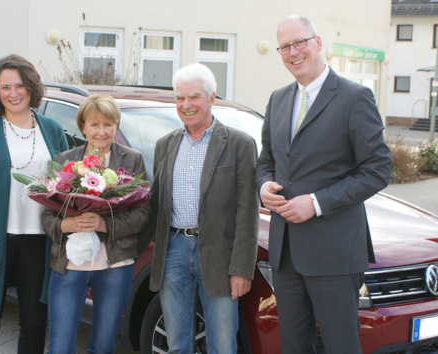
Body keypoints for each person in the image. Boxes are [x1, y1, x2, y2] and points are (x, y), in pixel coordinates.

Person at [255, 16, 391, 354]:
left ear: (317, 42)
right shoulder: (278, 99)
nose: (293, 52)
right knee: (294, 346)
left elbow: (378, 168)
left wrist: (315, 203)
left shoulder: (354, 97)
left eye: (299, 42)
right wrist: (264, 186)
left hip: (334, 252)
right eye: (284, 46)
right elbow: (266, 162)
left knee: (340, 346)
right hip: (285, 252)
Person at [0, 54, 69, 353]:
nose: (13, 93)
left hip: (38, 241)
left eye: (19, 85)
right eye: (5, 87)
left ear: (31, 87)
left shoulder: (52, 129)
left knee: (34, 323)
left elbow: (67, 185)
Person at [147, 63, 259, 353]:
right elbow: (154, 204)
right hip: (173, 251)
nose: (186, 105)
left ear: (211, 98)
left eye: (194, 97)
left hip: (219, 257)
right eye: (180, 98)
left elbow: (248, 212)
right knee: (177, 344)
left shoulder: (239, 144)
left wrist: (242, 269)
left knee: (222, 344)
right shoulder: (165, 145)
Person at [41, 94, 149, 353]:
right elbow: (47, 216)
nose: (102, 132)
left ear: (116, 126)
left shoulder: (132, 160)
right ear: (83, 127)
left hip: (114, 264)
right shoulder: (65, 161)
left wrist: (104, 224)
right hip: (70, 263)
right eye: (94, 125)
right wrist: (65, 227)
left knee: (103, 344)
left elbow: (142, 214)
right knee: (60, 343)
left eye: (108, 125)